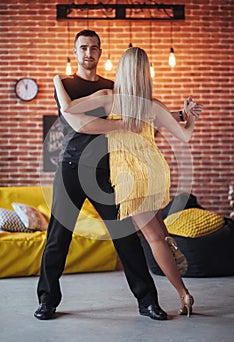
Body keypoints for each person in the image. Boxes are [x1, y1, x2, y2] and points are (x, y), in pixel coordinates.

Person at [54, 46, 203, 317]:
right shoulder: (154, 105)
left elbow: (68, 109)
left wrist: (56, 81)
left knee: (154, 238)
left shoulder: (109, 98)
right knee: (159, 232)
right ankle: (172, 261)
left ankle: (184, 294)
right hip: (156, 171)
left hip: (130, 175)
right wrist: (189, 117)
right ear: (146, 73)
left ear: (121, 70)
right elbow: (185, 136)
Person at [35, 29, 168, 321]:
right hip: (70, 169)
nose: (88, 53)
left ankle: (147, 301)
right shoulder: (65, 86)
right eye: (83, 48)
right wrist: (121, 127)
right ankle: (47, 301)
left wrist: (179, 118)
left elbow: (143, 111)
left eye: (94, 48)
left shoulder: (112, 86)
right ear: (75, 51)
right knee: (58, 237)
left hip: (106, 172)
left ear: (100, 52)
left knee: (126, 236)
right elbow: (79, 124)